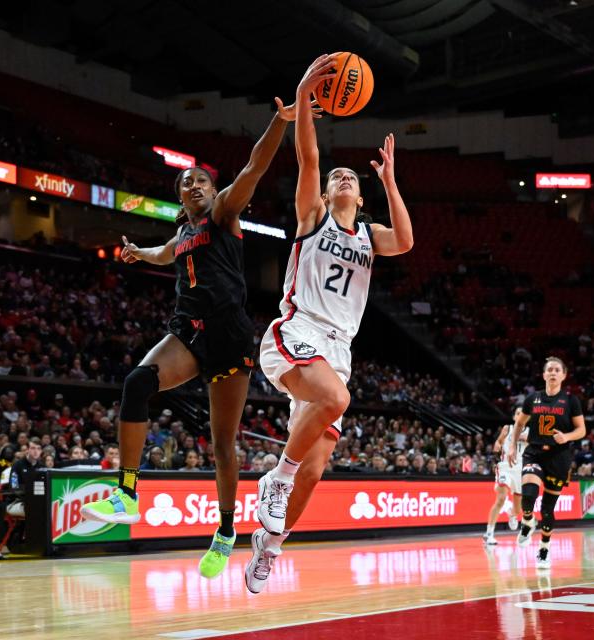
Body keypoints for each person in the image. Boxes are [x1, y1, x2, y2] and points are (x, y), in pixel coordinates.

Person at [82, 93, 314, 581]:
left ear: (213, 190)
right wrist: (136, 255)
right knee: (136, 383)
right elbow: (165, 253)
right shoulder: (182, 233)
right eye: (186, 183)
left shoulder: (225, 212)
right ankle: (126, 491)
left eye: (201, 180)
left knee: (222, 443)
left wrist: (281, 119)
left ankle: (226, 531)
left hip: (230, 338)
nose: (194, 186)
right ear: (180, 196)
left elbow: (253, 166)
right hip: (187, 333)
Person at [245, 54, 413, 594]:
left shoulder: (369, 234)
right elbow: (309, 158)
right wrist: (302, 100)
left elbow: (406, 241)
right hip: (297, 330)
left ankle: (270, 544)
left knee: (316, 469)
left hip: (337, 349)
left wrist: (388, 182)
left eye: (351, 178)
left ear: (359, 197)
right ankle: (276, 478)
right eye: (335, 176)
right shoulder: (312, 218)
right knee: (335, 403)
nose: (340, 177)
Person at [508, 357, 586, 570]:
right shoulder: (532, 398)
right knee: (529, 494)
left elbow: (582, 430)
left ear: (563, 375)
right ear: (543, 375)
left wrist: (567, 437)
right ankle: (527, 520)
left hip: (558, 457)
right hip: (534, 453)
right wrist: (513, 446)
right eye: (549, 370)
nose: (552, 373)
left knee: (548, 509)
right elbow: (519, 423)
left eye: (556, 370)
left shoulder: (571, 401)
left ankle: (544, 547)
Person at [484, 408, 527, 544]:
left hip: (520, 470)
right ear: (514, 417)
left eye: (523, 414)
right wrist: (496, 449)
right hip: (505, 467)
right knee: (501, 498)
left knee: (518, 508)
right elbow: (499, 442)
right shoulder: (507, 428)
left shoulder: (530, 431)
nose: (520, 416)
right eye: (518, 413)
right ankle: (489, 533)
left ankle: (512, 513)